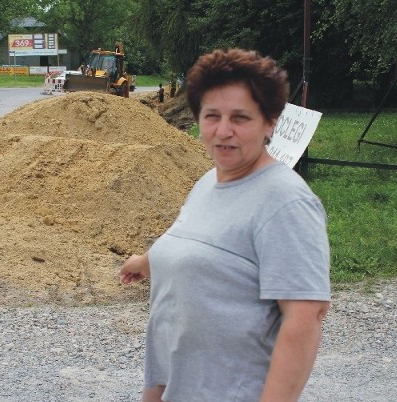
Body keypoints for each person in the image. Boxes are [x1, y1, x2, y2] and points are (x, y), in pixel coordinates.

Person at [118, 48, 331, 402]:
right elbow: (198, 242)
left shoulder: (285, 202)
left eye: (241, 117)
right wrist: (148, 261)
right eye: (211, 115)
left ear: (270, 122)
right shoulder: (209, 182)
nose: (223, 130)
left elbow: (305, 319)